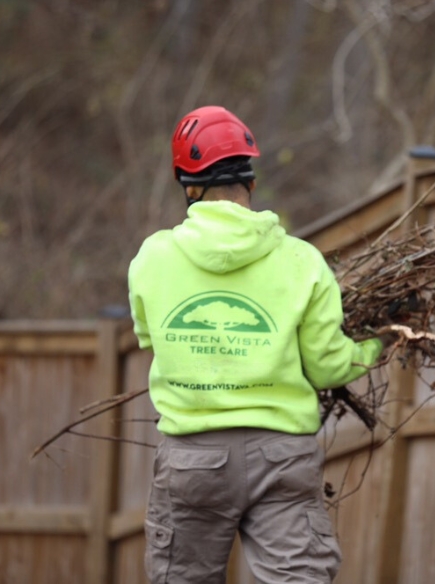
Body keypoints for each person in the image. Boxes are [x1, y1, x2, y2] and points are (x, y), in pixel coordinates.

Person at [128, 105, 387, 584]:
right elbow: (329, 366)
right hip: (281, 456)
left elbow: (150, 338)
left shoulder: (152, 258)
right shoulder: (301, 261)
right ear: (250, 179)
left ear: (188, 185)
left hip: (192, 458)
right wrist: (377, 344)